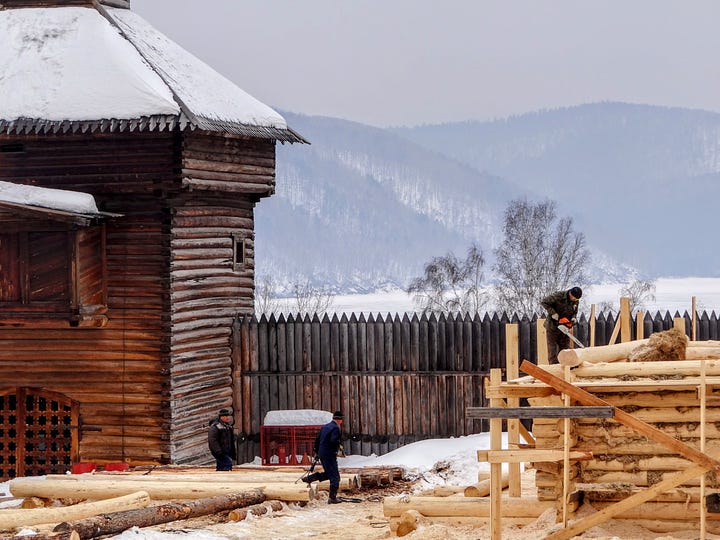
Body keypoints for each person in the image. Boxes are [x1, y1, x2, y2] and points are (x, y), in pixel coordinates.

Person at [302, 410, 344, 503]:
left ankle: (308, 479)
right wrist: (338, 447)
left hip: (322, 453)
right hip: (329, 454)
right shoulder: (336, 428)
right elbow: (334, 440)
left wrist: (317, 452)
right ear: (340, 420)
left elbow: (317, 440)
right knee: (335, 477)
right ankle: (332, 498)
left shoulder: (325, 427)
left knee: (329, 473)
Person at [541, 286, 582, 364]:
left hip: (564, 328)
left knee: (565, 348)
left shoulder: (576, 300)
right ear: (570, 294)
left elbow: (575, 311)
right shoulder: (558, 296)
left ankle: (566, 366)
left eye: (577, 299)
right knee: (552, 350)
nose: (575, 300)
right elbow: (544, 302)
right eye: (574, 298)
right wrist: (553, 313)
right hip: (552, 326)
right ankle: (553, 368)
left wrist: (573, 318)